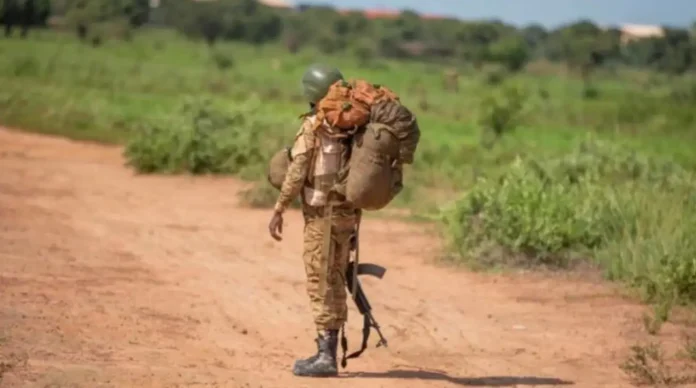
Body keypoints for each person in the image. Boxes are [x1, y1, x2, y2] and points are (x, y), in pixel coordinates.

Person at [268, 63, 360, 377]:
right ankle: (329, 351)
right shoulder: (353, 125)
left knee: (320, 282)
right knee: (335, 278)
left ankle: (326, 357)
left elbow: (296, 170)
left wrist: (280, 207)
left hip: (321, 216)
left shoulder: (315, 125)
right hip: (348, 215)